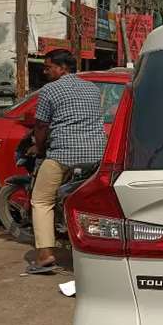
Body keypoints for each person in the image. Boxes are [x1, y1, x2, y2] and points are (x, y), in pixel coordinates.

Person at [28, 49, 106, 274]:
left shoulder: (50, 90)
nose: (45, 71)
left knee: (41, 201)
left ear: (63, 68)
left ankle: (44, 256)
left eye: (48, 66)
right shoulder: (92, 88)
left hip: (64, 154)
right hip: (96, 154)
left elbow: (41, 126)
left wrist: (40, 149)